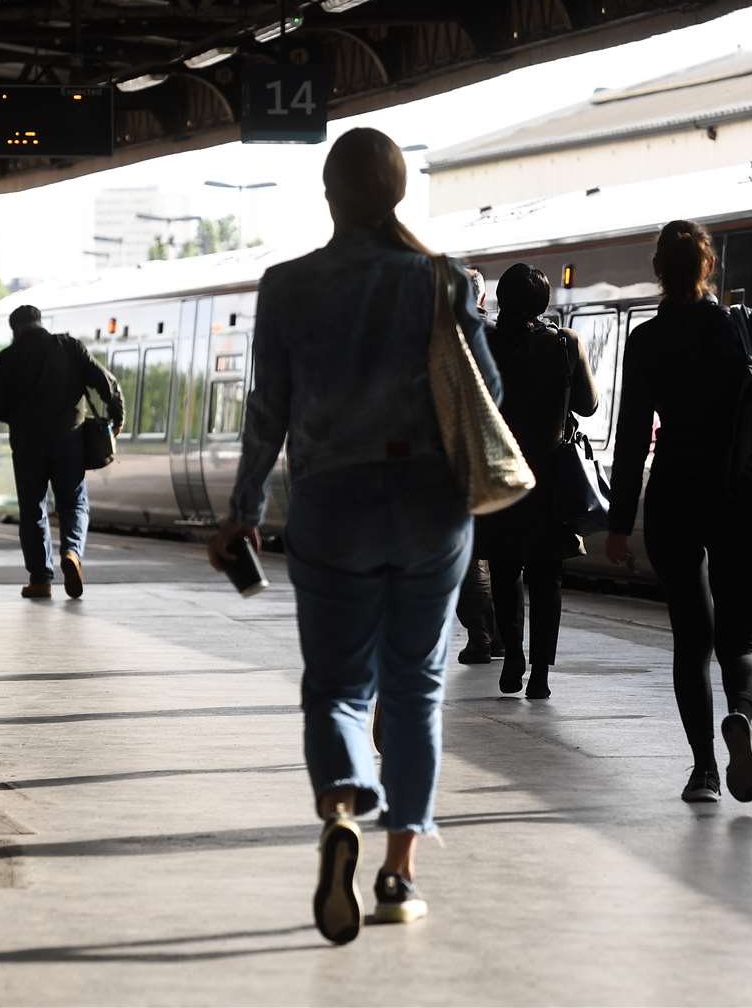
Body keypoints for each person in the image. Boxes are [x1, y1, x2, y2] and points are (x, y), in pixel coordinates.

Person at [206, 128, 499, 945]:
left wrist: (242, 510)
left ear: (331, 197)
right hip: (430, 503)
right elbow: (490, 391)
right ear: (399, 195)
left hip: (332, 497)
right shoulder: (442, 280)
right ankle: (399, 874)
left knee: (337, 687)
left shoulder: (287, 285)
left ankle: (342, 805)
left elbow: (267, 410)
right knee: (417, 688)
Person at [606, 220, 752, 805]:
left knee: (692, 640)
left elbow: (632, 436)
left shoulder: (646, 341)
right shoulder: (742, 328)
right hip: (742, 493)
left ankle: (704, 771)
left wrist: (617, 522)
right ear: (708, 267)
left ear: (659, 270)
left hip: (674, 497)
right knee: (745, 642)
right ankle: (740, 716)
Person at [476, 263, 599, 699]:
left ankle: (512, 657)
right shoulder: (564, 344)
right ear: (544, 303)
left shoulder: (483, 344)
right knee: (547, 577)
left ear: (502, 299)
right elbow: (588, 405)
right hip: (548, 479)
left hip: (501, 476)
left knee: (506, 571)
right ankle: (541, 673)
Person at [0, 304, 124, 600]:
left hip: (26, 445)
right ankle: (72, 552)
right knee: (73, 502)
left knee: (33, 509)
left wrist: (22, 417)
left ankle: (40, 580)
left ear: (15, 329)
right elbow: (105, 382)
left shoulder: (6, 359)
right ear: (40, 323)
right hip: (69, 440)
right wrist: (116, 416)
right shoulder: (68, 346)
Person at [455, 266, 506, 665]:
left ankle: (481, 633)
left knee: (469, 555)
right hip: (503, 456)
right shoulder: (498, 336)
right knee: (503, 552)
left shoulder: (444, 339)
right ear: (483, 299)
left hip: (460, 459)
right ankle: (506, 637)